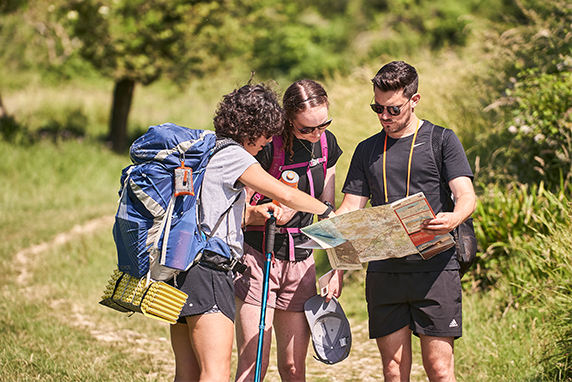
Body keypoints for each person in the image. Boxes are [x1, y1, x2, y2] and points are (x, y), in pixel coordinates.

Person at [169, 82, 336, 382]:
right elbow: (286, 195)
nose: (266, 142)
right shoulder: (235, 156)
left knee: (189, 371)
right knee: (216, 372)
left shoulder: (209, 146)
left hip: (184, 265)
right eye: (265, 135)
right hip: (210, 269)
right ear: (252, 128)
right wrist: (326, 212)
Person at [336, 61, 476, 382]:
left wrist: (453, 217)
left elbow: (465, 195)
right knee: (393, 371)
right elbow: (349, 211)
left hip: (436, 269)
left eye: (393, 109)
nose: (384, 117)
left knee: (439, 370)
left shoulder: (442, 140)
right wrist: (335, 260)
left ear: (414, 100)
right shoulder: (366, 150)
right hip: (385, 272)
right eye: (378, 108)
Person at [234, 79, 344, 382]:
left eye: (323, 125)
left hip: (302, 263)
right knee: (253, 363)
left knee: (294, 368)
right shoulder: (267, 148)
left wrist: (338, 267)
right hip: (259, 259)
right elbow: (235, 215)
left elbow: (327, 211)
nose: (315, 134)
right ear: (287, 120)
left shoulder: (326, 144)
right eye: (305, 129)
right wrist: (264, 213)